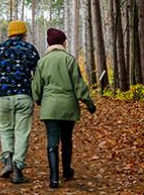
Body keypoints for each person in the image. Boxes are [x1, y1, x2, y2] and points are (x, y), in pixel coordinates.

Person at [31, 28, 95, 189]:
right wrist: (89, 103)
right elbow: (79, 85)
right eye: (65, 40)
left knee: (52, 141)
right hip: (68, 107)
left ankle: (54, 179)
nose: (66, 43)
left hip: (50, 108)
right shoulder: (69, 60)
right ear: (62, 42)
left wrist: (39, 101)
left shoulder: (42, 62)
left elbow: (36, 87)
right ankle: (66, 172)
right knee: (66, 140)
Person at [0, 20, 40, 184]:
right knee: (22, 132)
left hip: (5, 97)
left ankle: (7, 159)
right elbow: (38, 74)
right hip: (24, 96)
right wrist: (38, 95)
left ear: (10, 33)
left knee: (5, 129)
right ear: (24, 33)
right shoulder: (30, 49)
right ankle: (18, 169)